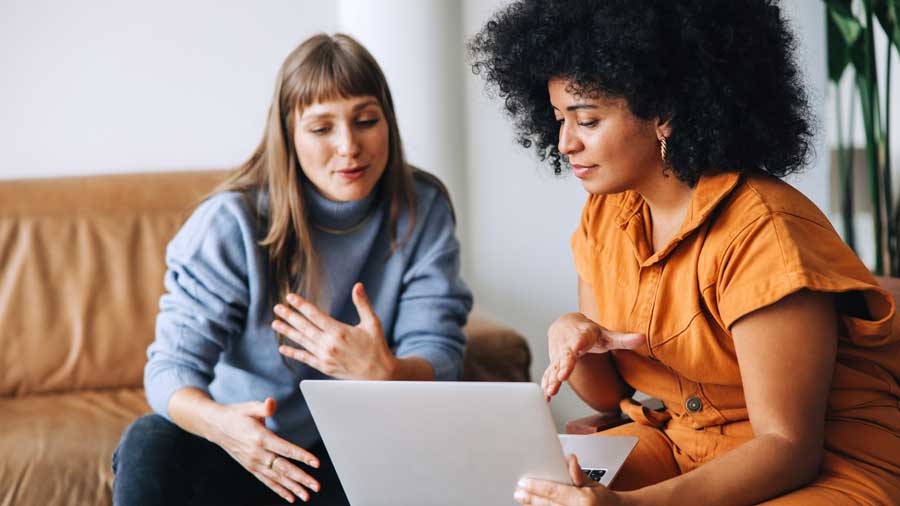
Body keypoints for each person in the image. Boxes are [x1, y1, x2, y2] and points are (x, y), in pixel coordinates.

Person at [469, 0, 900, 504]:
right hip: (681, 444)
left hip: (826, 467)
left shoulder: (764, 232)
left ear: (666, 114)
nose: (564, 142)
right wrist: (571, 335)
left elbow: (788, 447)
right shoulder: (605, 214)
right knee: (519, 490)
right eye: (558, 118)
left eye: (586, 120)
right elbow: (608, 397)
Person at [112, 33, 472, 506]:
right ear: (289, 135)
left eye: (366, 120)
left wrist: (386, 372)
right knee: (149, 441)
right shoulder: (231, 222)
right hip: (245, 448)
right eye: (322, 128)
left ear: (388, 122)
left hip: (356, 450)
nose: (349, 147)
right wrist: (226, 430)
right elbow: (171, 369)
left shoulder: (421, 206)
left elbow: (440, 352)